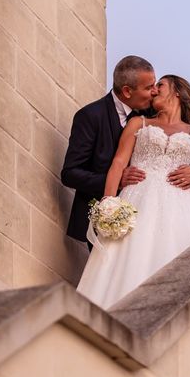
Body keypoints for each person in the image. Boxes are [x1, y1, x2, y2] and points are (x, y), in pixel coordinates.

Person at [76, 75, 190, 309]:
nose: (154, 91)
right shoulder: (139, 124)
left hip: (182, 207)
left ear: (176, 91)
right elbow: (118, 163)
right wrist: (108, 202)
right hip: (138, 199)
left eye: (160, 85)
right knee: (129, 257)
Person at [61, 56, 157, 248]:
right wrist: (115, 180)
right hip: (104, 223)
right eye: (148, 88)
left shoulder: (152, 114)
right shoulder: (90, 116)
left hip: (149, 214)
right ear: (127, 91)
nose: (154, 92)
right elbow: (70, 174)